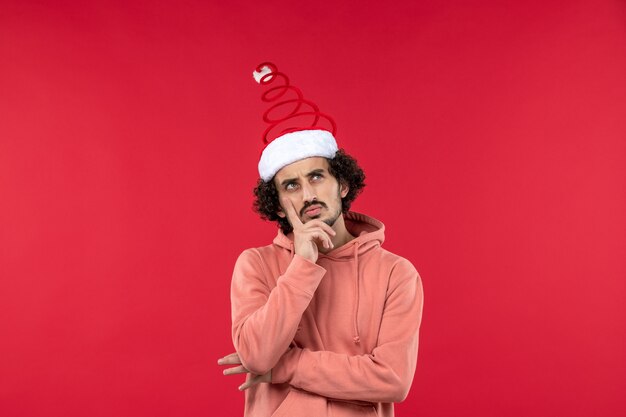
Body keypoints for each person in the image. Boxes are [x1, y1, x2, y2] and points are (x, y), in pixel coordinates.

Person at [218, 62, 424, 417]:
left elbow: (392, 379)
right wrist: (302, 264)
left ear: (342, 186)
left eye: (316, 177)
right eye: (291, 186)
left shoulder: (396, 273)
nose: (308, 195)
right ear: (279, 205)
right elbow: (256, 355)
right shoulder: (255, 264)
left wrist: (286, 366)